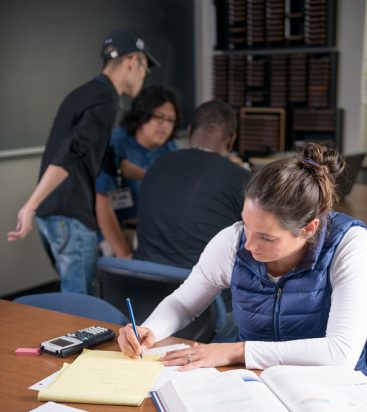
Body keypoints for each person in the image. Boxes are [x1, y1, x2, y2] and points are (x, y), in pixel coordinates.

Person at [118, 142, 367, 375]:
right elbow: (184, 303)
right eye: (246, 224)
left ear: (309, 229)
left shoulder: (350, 245)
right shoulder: (232, 240)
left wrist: (238, 350)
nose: (248, 244)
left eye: (267, 238)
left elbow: (340, 353)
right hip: (256, 382)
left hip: (334, 394)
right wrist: (150, 329)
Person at [7, 29, 158, 294]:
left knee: (75, 296)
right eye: (145, 68)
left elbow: (106, 158)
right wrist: (29, 205)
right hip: (69, 214)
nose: (145, 76)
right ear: (132, 61)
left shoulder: (87, 93)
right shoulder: (105, 100)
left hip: (54, 214)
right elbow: (71, 150)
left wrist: (152, 176)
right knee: (81, 304)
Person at [134, 99, 252, 268]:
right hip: (202, 290)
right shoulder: (241, 179)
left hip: (142, 283)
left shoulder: (157, 165)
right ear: (231, 140)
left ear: (189, 132)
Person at [95, 85, 180, 257]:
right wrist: (124, 254)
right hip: (113, 231)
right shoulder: (116, 145)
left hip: (150, 229)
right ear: (142, 116)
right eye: (160, 117)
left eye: (171, 120)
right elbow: (101, 204)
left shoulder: (169, 147)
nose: (165, 125)